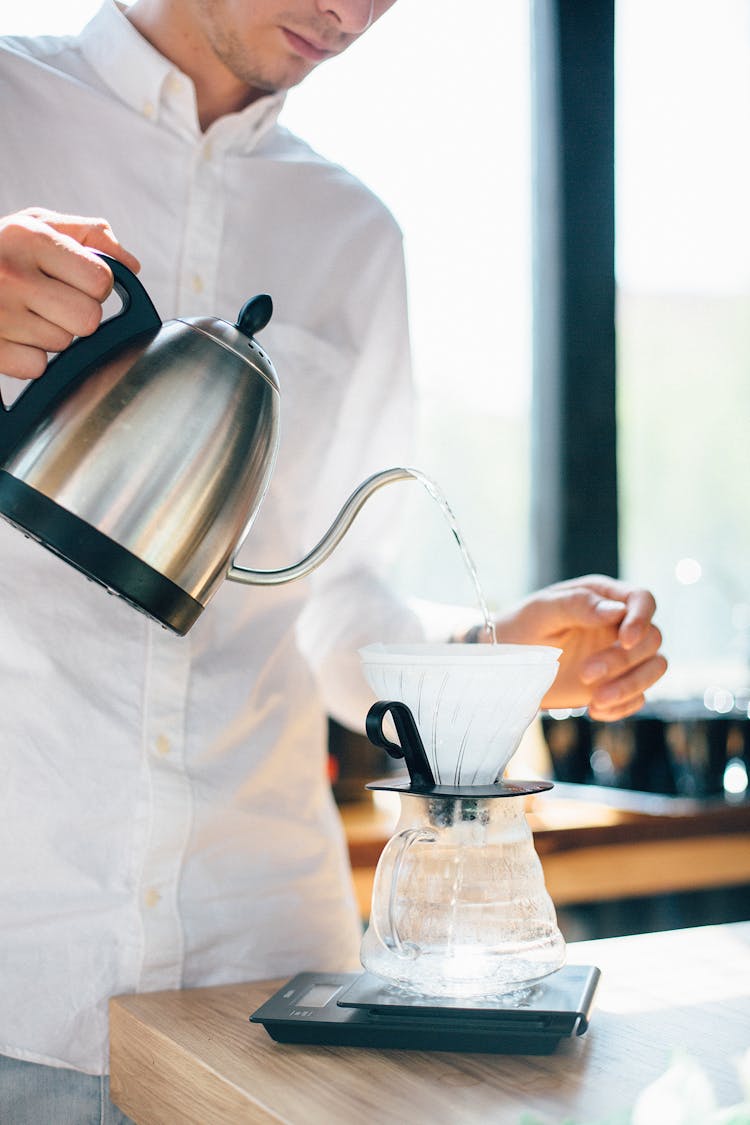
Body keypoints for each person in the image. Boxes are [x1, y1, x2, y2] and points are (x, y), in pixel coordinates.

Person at [0, 2, 667, 1121]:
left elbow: (329, 601)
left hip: (261, 979)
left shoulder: (353, 233)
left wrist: (494, 655)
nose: (354, 10)